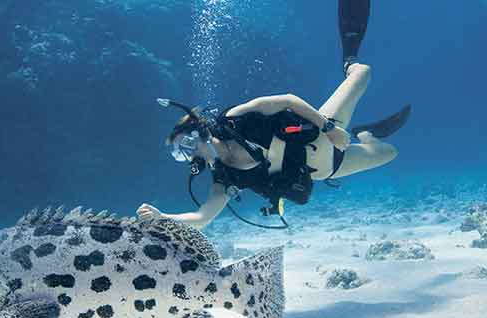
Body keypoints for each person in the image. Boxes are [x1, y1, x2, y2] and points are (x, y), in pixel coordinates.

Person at [137, 0, 410, 230]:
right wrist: (164, 218)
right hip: (324, 170)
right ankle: (366, 134)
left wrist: (328, 128)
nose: (189, 158)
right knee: (390, 153)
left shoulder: (234, 120)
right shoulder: (225, 176)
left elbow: (287, 100)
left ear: (200, 132)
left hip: (323, 133)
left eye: (185, 148)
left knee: (363, 73)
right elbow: (203, 217)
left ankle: (349, 58)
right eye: (180, 157)